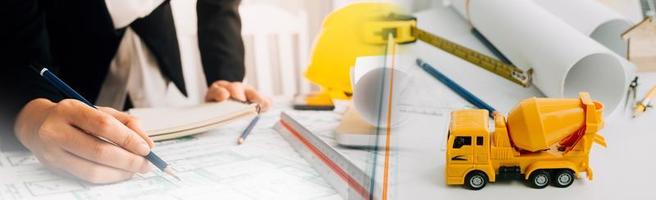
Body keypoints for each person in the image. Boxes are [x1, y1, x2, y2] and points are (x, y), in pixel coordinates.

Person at [0, 0, 270, 183]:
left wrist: (226, 76)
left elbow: (219, 5)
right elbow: (16, 49)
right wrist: (30, 114)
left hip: (153, 50)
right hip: (60, 58)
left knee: (146, 133)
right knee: (79, 140)